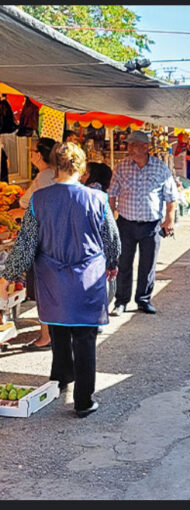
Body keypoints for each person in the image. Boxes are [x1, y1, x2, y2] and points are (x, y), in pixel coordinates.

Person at [0, 142, 121, 417]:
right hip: (87, 279)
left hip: (52, 279)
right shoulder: (97, 199)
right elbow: (112, 240)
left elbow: (26, 243)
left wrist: (9, 275)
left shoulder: (39, 199)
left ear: (55, 166)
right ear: (82, 167)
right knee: (85, 338)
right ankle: (83, 401)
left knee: (59, 331)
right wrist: (112, 264)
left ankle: (61, 377)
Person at [109, 130, 178, 316]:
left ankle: (143, 299)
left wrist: (169, 220)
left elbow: (171, 197)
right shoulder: (122, 166)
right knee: (123, 263)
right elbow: (112, 194)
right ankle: (121, 301)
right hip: (125, 223)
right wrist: (111, 219)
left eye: (134, 145)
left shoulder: (160, 168)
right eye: (129, 145)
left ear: (145, 147)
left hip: (151, 225)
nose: (130, 148)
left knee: (147, 264)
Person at [20, 137, 57, 351]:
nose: (30, 153)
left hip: (44, 239)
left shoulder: (44, 177)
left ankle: (46, 336)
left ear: (40, 155)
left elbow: (37, 206)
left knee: (44, 288)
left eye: (32, 150)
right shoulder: (53, 175)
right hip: (54, 239)